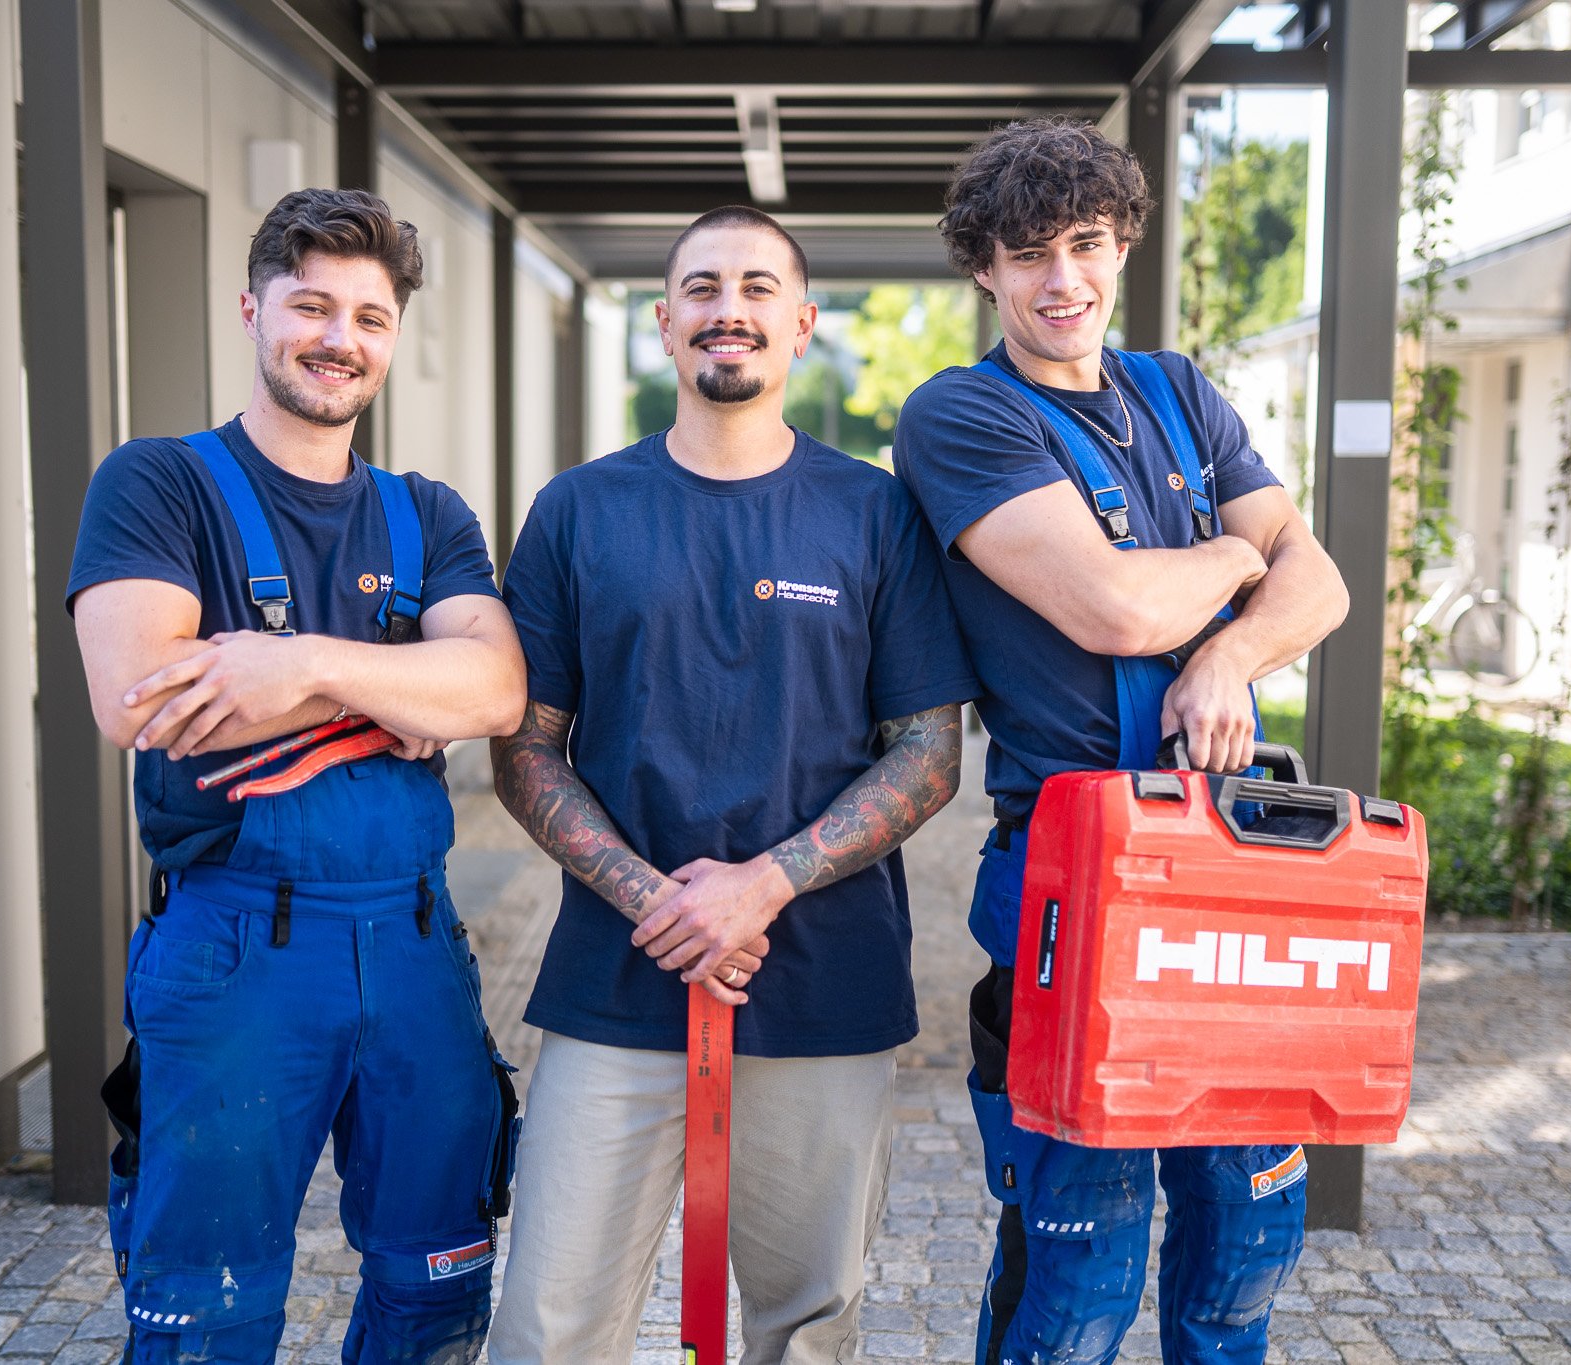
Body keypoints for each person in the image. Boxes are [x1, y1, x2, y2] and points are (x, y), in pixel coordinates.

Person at [484, 205, 979, 1365]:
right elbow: (523, 748)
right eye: (702, 288)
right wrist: (665, 906)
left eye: (758, 288)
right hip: (615, 977)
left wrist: (760, 885)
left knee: (807, 1322)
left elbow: (927, 751)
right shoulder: (577, 511)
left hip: (824, 981)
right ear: (663, 324)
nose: (729, 309)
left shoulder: (874, 511)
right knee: (549, 1318)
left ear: (801, 324)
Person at [891, 119, 1352, 1364]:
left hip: (1230, 862)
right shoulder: (958, 417)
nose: (1062, 281)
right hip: (1069, 864)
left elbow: (1324, 590)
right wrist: (1241, 553)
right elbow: (1112, 606)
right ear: (981, 267)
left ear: (1121, 244)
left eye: (1084, 244)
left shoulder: (1179, 390)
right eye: (1026, 251)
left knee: (1243, 1243)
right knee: (1082, 1265)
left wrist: (1225, 654)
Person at [67, 188, 528, 1365]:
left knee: (435, 1288)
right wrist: (393, 686)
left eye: (368, 317)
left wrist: (297, 664)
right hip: (235, 952)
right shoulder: (158, 483)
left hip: (418, 946)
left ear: (392, 336)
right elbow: (142, 702)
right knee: (204, 1310)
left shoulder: (427, 514)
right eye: (310, 305)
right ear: (252, 309)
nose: (338, 338)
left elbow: (494, 695)